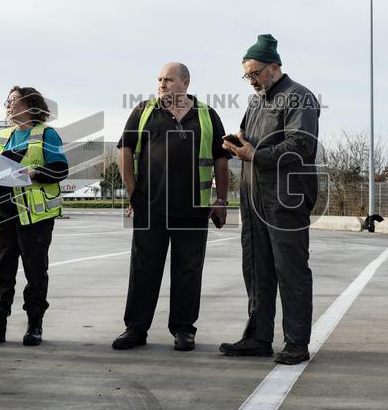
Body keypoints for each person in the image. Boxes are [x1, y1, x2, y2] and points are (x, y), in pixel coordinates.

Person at [112, 63, 230, 352]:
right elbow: (125, 150)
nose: (162, 84)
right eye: (159, 79)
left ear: (185, 82)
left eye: (168, 79)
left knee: (188, 271)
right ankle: (135, 328)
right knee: (143, 269)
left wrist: (221, 200)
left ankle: (184, 329)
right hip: (151, 207)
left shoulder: (207, 115)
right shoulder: (143, 111)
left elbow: (221, 158)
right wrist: (133, 194)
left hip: (194, 208)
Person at [220, 34, 320, 365]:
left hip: (285, 199)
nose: (251, 80)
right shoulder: (255, 102)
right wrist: (237, 142)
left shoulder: (299, 97)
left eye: (255, 73)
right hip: (254, 199)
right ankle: (257, 337)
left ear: (274, 67)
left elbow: (301, 145)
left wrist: (255, 154)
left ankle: (296, 343)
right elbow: (249, 139)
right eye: (246, 75)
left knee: (290, 270)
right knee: (256, 269)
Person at [0, 86, 68, 347]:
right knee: (1, 272)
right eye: (7, 101)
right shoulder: (2, 136)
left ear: (30, 104)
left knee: (36, 273)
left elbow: (60, 169)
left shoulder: (46, 134)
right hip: (3, 215)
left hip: (35, 219)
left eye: (13, 100)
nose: (8, 105)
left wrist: (34, 173)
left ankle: (34, 325)